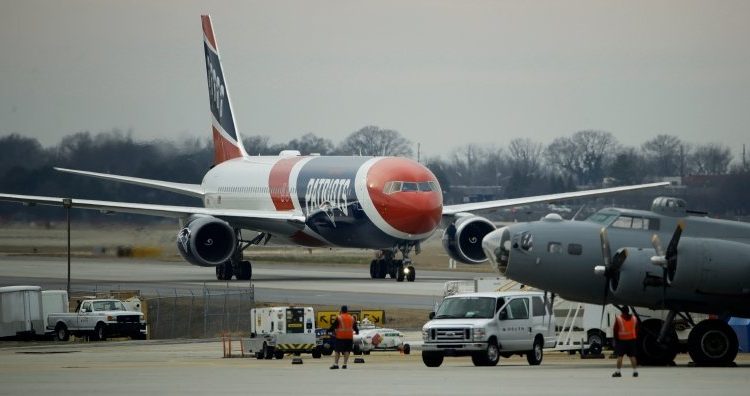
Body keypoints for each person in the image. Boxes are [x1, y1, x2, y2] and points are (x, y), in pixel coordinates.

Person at [329, 305, 359, 369]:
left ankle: (336, 364)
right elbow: (355, 327)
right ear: (347, 311)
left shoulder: (339, 317)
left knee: (337, 350)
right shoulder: (352, 318)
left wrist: (328, 330)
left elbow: (334, 326)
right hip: (349, 337)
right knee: (347, 351)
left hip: (340, 337)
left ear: (341, 310)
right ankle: (345, 364)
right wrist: (357, 331)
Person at [612, 306, 639, 377]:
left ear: (622, 311)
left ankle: (618, 372)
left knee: (620, 356)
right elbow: (637, 329)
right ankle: (635, 371)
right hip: (632, 340)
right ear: (628, 311)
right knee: (632, 356)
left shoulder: (619, 318)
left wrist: (616, 339)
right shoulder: (634, 318)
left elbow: (615, 330)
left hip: (622, 340)